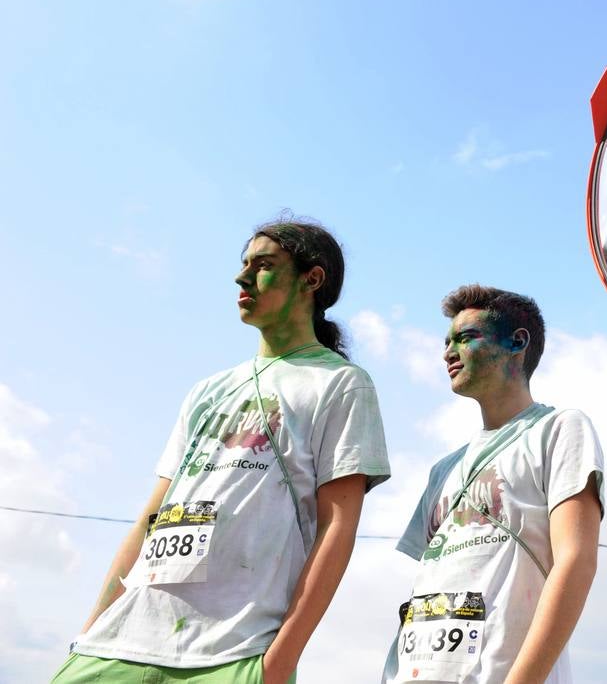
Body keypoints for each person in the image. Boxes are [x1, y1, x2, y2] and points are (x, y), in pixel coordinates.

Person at [55, 217, 391, 684]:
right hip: (118, 643)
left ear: (312, 280)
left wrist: (280, 661)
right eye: (244, 264)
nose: (242, 277)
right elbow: (151, 518)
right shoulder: (207, 390)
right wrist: (92, 626)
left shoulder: (341, 384)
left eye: (264, 265)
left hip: (236, 651)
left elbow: (338, 525)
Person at [384, 285, 604, 684]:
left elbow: (577, 562)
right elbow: (429, 586)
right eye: (446, 341)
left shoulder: (558, 430)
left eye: (465, 338)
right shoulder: (441, 470)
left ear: (517, 342)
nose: (448, 352)